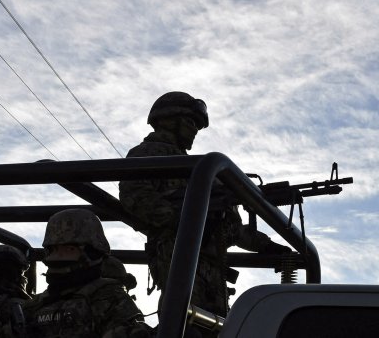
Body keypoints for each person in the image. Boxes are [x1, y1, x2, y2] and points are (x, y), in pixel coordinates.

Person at [119, 91, 291, 320]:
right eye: (190, 123)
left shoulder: (200, 167)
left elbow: (230, 229)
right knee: (185, 325)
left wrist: (267, 246)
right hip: (178, 257)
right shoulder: (148, 154)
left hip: (211, 271)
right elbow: (135, 198)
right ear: (169, 120)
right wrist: (189, 218)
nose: (194, 131)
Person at [22, 208, 150, 338]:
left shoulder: (109, 299)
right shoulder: (33, 306)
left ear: (91, 252)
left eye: (69, 249)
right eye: (53, 250)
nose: (58, 256)